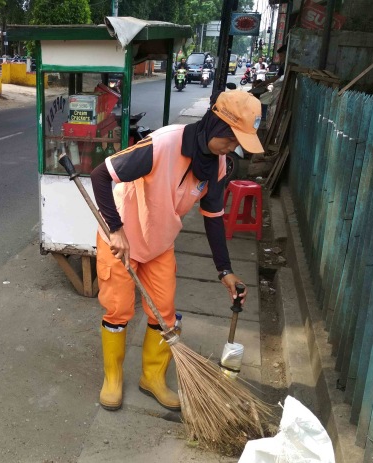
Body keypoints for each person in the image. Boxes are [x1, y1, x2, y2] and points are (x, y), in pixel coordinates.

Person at [89, 90, 265, 412]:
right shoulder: (163, 145)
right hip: (123, 240)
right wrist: (115, 230)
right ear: (215, 126)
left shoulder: (218, 165)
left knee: (164, 313)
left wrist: (225, 271)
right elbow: (101, 175)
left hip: (159, 245)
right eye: (230, 140)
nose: (231, 149)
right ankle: (112, 378)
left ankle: (152, 378)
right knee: (118, 310)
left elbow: (213, 219)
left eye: (236, 144)